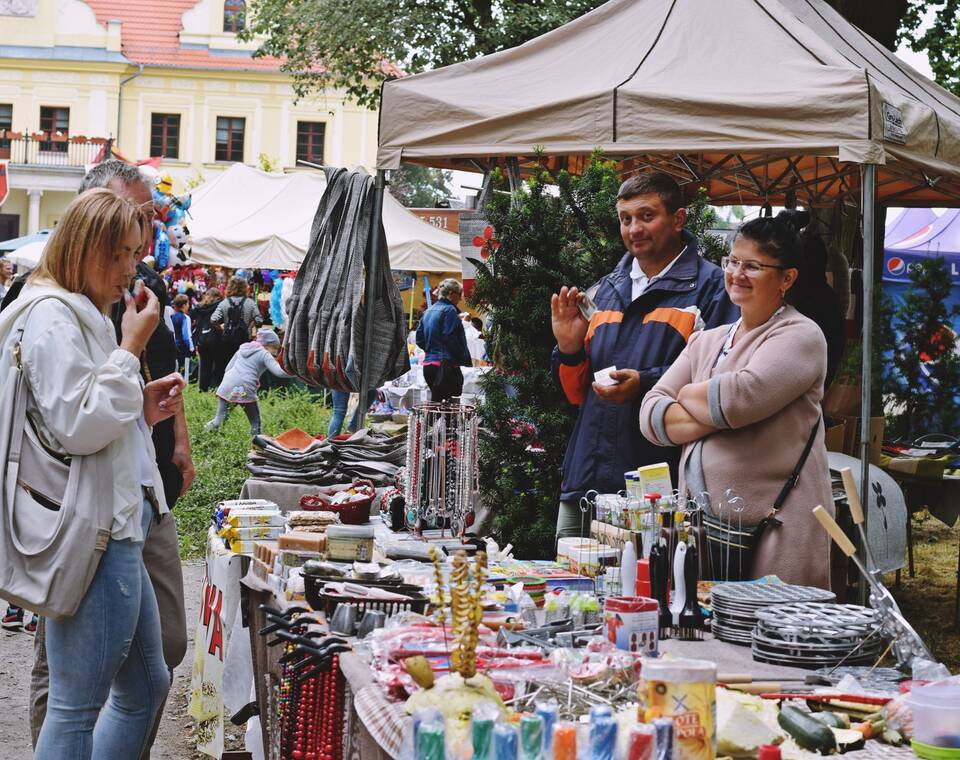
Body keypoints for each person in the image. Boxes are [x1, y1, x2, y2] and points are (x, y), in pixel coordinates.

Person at [0, 188, 184, 757]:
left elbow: (80, 416)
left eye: (135, 253)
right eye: (123, 254)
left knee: (146, 683)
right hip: (95, 528)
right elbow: (79, 424)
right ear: (85, 249)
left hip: (114, 518)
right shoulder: (55, 313)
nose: (132, 269)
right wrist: (130, 349)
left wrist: (140, 407)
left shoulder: (77, 310)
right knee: (77, 706)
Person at [638, 215, 835, 590]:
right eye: (733, 262)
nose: (737, 274)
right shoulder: (707, 340)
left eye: (753, 266)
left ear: (787, 278)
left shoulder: (801, 336)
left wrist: (690, 394)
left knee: (768, 636)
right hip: (704, 530)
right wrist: (714, 408)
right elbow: (650, 415)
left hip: (776, 527)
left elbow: (737, 399)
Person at [551, 172, 738, 540]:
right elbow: (576, 395)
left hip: (661, 489)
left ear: (678, 219)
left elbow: (721, 384)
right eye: (625, 219)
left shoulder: (714, 289)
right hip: (585, 479)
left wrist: (645, 384)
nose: (634, 228)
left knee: (649, 592)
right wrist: (569, 349)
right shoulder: (604, 290)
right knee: (570, 589)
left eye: (646, 216)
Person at [204, 327, 288, 437]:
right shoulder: (264, 354)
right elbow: (279, 372)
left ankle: (202, 435)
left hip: (227, 384)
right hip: (245, 387)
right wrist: (297, 372)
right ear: (268, 345)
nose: (276, 352)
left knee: (219, 419)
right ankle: (255, 447)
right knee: (255, 422)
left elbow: (228, 368)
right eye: (275, 348)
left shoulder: (242, 349)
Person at [416, 278, 472, 402]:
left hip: (429, 365)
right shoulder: (450, 310)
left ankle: (428, 422)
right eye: (460, 294)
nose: (461, 299)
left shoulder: (428, 311)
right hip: (444, 366)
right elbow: (449, 337)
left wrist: (431, 350)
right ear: (451, 294)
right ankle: (435, 422)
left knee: (436, 404)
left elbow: (419, 339)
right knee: (446, 408)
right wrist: (459, 356)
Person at [211, 275, 261, 373]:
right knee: (243, 365)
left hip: (227, 339)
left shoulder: (224, 303)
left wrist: (221, 327)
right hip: (244, 339)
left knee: (228, 364)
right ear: (245, 288)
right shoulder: (250, 303)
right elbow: (259, 320)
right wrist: (250, 326)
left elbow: (213, 319)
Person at [192, 288, 224, 390]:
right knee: (218, 365)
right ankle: (215, 387)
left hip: (201, 340)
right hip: (216, 340)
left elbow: (191, 318)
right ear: (217, 297)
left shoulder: (199, 308)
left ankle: (202, 388)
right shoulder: (220, 307)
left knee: (204, 366)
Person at [170, 293, 195, 379]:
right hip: (184, 349)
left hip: (174, 347)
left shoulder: (173, 317)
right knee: (185, 373)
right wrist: (192, 348)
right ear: (184, 305)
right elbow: (186, 336)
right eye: (188, 304)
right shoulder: (185, 318)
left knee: (176, 372)